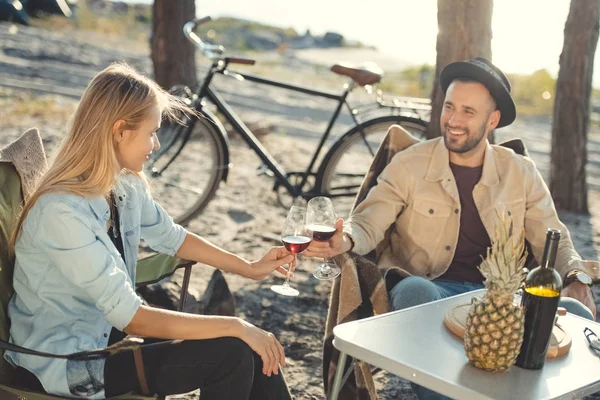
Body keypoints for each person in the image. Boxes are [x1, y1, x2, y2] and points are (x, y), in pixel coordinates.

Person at [306, 57, 596, 399]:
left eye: (468, 112)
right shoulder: (409, 163)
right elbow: (371, 218)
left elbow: (554, 236)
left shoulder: (521, 172)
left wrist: (577, 277)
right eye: (449, 107)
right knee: (414, 290)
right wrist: (347, 237)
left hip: (502, 302)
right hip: (432, 291)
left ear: (493, 120)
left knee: (577, 315)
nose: (454, 121)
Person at [6, 63, 294, 400]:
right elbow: (132, 318)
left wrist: (248, 266)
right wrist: (235, 326)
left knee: (250, 351)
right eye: (152, 132)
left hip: (105, 340)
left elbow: (173, 237)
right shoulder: (61, 212)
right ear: (120, 131)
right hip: (66, 363)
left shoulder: (123, 186)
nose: (156, 144)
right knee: (233, 352)